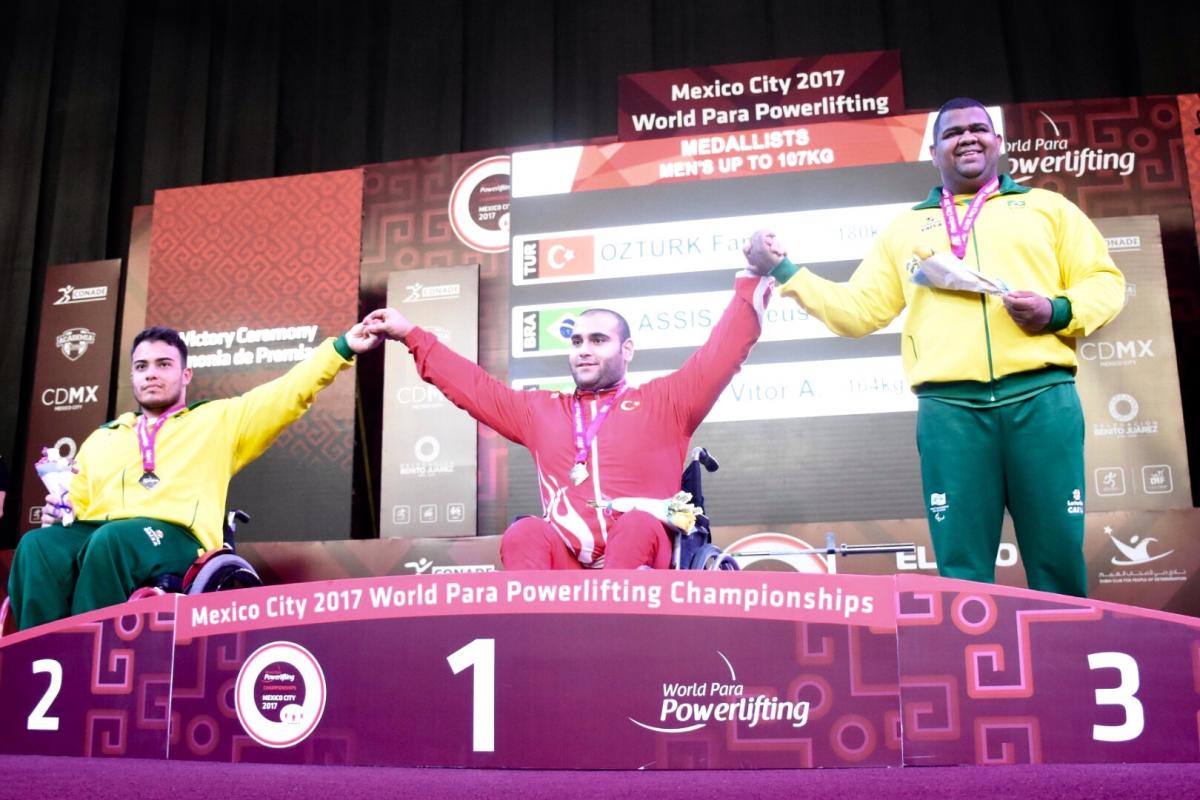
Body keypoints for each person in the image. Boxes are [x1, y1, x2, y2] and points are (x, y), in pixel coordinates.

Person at [743, 97, 1125, 597]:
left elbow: (1105, 283)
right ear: (934, 151)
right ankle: (970, 672)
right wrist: (785, 271)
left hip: (1042, 400)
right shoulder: (906, 227)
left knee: (1057, 560)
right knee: (962, 573)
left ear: (998, 143)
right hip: (951, 412)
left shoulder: (1047, 209)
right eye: (952, 133)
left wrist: (1056, 310)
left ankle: (1067, 670)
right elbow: (859, 311)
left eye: (977, 129)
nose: (966, 138)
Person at [364, 271, 773, 569]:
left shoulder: (665, 402)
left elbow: (720, 356)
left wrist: (753, 279)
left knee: (636, 527)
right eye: (576, 341)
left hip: (645, 559)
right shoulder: (542, 410)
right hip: (569, 561)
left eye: (598, 340)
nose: (583, 350)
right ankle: (532, 649)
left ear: (627, 349)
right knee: (525, 533)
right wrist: (411, 334)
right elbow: (474, 388)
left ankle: (614, 640)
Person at [7, 323, 381, 630]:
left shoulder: (219, 420)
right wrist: (62, 511)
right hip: (106, 534)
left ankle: (88, 665)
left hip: (177, 538)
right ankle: (37, 663)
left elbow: (287, 393)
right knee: (37, 546)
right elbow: (80, 508)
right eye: (141, 367)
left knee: (111, 541)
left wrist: (342, 348)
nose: (151, 373)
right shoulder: (102, 438)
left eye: (163, 364)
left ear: (185, 374)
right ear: (133, 377)